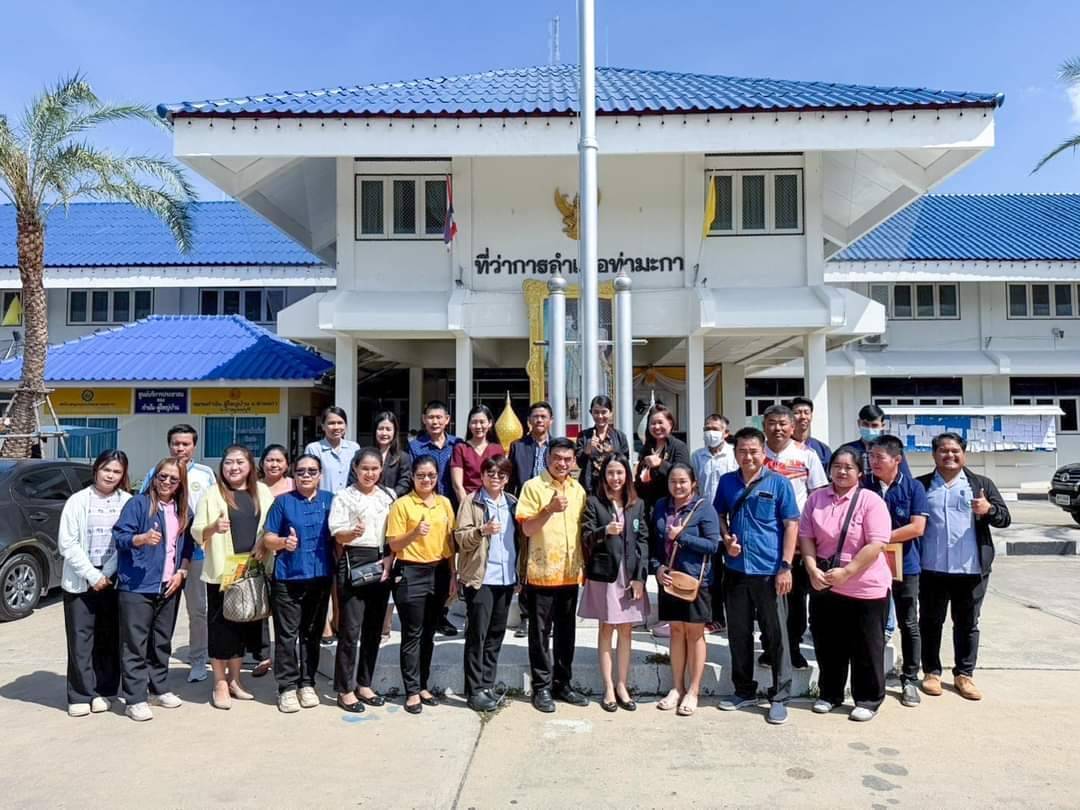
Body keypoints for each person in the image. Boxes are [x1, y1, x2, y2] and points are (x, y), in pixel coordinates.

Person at [800, 447, 893, 722]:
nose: (841, 472)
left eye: (848, 467)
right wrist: (812, 568)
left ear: (860, 473)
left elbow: (877, 543)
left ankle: (868, 699)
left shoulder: (870, 501)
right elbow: (806, 537)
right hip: (825, 584)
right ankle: (830, 694)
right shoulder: (816, 499)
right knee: (828, 644)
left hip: (865, 586)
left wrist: (848, 571)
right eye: (837, 466)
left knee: (866, 646)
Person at [713, 427, 799, 725]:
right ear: (735, 453)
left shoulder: (779, 483)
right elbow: (719, 515)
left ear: (764, 453)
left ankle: (780, 697)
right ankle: (744, 690)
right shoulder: (726, 482)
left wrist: (786, 566)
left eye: (753, 451)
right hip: (736, 570)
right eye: (742, 451)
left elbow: (791, 525)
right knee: (738, 633)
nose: (748, 456)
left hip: (769, 571)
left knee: (776, 636)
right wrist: (726, 538)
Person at [916, 432, 1010, 702]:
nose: (950, 455)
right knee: (930, 622)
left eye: (955, 451)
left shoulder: (980, 484)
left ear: (964, 454)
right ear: (934, 455)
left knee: (967, 623)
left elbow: (1005, 519)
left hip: (970, 570)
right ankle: (931, 672)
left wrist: (988, 510)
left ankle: (964, 675)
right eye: (944, 451)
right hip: (931, 568)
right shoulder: (921, 486)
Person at [192, 445, 275, 710]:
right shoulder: (213, 493)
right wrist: (213, 528)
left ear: (250, 465)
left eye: (240, 462)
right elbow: (196, 530)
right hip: (222, 571)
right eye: (229, 462)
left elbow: (272, 525)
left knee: (242, 625)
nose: (234, 467)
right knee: (220, 628)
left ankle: (235, 679)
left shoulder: (262, 491)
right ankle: (219, 682)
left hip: (251, 569)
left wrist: (264, 543)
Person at [113, 457, 194, 722]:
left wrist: (182, 572)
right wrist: (141, 538)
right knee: (135, 644)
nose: (167, 482)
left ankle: (158, 689)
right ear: (154, 477)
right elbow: (120, 537)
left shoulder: (183, 511)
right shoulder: (138, 504)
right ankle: (135, 698)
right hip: (137, 585)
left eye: (173, 479)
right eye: (162, 476)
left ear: (181, 483)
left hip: (169, 584)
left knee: (161, 641)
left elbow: (188, 547)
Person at [516, 437, 589, 712]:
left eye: (568, 459)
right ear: (548, 458)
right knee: (540, 633)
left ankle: (563, 683)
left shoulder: (578, 490)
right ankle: (541, 687)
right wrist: (548, 509)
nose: (562, 463)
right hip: (542, 572)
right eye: (557, 458)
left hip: (570, 573)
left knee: (566, 633)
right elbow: (527, 529)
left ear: (574, 461)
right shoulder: (533, 487)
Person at [58, 449, 132, 717]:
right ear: (96, 470)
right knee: (80, 638)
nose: (110, 475)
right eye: (106, 469)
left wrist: (106, 574)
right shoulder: (77, 501)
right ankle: (80, 694)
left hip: (112, 578)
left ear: (123, 475)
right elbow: (67, 543)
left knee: (109, 637)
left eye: (116, 471)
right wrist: (92, 574)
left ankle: (105, 691)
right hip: (81, 578)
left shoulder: (127, 502)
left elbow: (126, 542)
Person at [139, 424, 215, 683]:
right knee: (158, 612)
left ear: (194, 446)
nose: (180, 448)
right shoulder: (157, 472)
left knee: (198, 610)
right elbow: (144, 507)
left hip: (196, 554)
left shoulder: (205, 474)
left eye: (185, 444)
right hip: (162, 555)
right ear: (169, 445)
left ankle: (198, 660)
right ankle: (153, 663)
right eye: (175, 443)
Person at [262, 454, 335, 713]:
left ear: (320, 475)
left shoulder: (330, 500)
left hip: (320, 577)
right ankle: (287, 687)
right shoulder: (283, 502)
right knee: (286, 635)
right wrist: (284, 542)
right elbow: (268, 537)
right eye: (301, 471)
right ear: (294, 474)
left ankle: (307, 683)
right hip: (288, 578)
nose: (306, 475)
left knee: (312, 633)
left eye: (312, 471)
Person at [386, 455, 457, 714]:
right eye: (421, 475)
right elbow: (394, 544)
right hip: (411, 572)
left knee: (429, 633)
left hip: (439, 571)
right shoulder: (402, 505)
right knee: (412, 633)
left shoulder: (444, 503)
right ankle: (412, 690)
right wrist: (414, 533)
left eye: (431, 475)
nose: (426, 480)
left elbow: (450, 543)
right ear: (413, 477)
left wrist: (453, 574)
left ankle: (423, 684)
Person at [579, 454, 649, 713]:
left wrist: (640, 577)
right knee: (607, 628)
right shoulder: (594, 502)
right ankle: (608, 687)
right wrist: (604, 531)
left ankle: (622, 685)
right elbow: (585, 537)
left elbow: (643, 542)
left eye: (620, 472)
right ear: (603, 475)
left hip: (630, 576)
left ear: (627, 474)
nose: (615, 478)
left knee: (626, 630)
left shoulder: (637, 504)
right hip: (606, 575)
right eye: (610, 472)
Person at [649, 463, 720, 717]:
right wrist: (657, 568)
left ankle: (693, 690)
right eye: (673, 481)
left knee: (694, 633)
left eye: (682, 481)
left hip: (695, 582)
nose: (677, 486)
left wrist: (682, 536)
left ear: (693, 484)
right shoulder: (661, 506)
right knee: (676, 631)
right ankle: (676, 688)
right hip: (669, 580)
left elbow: (713, 545)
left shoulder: (704, 508)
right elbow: (655, 543)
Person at [328, 448, 395, 713]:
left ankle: (364, 684)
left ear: (381, 470)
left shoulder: (389, 496)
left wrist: (390, 558)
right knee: (350, 630)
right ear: (355, 468)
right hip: (354, 559)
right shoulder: (344, 497)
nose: (370, 473)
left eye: (375, 468)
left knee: (373, 628)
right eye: (365, 468)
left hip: (383, 562)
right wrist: (351, 533)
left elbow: (394, 532)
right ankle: (344, 689)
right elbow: (337, 535)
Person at [760, 403, 827, 670]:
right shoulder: (755, 454)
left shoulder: (807, 455)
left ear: (792, 427)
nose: (777, 429)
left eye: (782, 424)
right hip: (763, 537)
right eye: (771, 423)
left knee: (796, 597)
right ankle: (769, 647)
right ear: (763, 426)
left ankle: (794, 646)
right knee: (765, 597)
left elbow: (818, 496)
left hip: (797, 539)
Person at [864, 435, 929, 707]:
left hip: (906, 564)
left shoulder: (913, 488)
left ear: (897, 459)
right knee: (872, 623)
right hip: (868, 564)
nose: (873, 462)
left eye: (880, 457)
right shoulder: (864, 485)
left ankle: (910, 678)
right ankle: (871, 677)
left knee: (908, 622)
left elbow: (917, 527)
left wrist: (880, 538)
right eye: (871, 457)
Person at [454, 455, 519, 712]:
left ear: (507, 478)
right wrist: (482, 531)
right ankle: (474, 690)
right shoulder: (472, 502)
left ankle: (487, 684)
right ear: (481, 476)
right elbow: (460, 538)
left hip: (506, 578)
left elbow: (519, 542)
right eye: (490, 473)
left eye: (501, 474)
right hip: (481, 578)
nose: (495, 478)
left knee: (495, 634)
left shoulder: (512, 503)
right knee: (477, 636)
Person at [408, 400, 462, 637]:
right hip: (425, 510)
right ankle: (428, 613)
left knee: (450, 560)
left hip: (451, 509)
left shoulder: (457, 444)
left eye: (439, 417)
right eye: (430, 417)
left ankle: (442, 612)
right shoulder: (415, 447)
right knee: (430, 558)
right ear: (424, 419)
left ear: (447, 420)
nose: (435, 422)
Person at [508, 400, 555, 639]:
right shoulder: (518, 447)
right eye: (535, 416)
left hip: (552, 512)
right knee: (526, 562)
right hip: (525, 512)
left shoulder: (557, 447)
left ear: (551, 421)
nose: (539, 420)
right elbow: (511, 482)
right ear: (529, 421)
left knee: (550, 561)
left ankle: (550, 618)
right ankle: (526, 616)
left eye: (543, 416)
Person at [691, 413, 737, 634]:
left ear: (726, 433)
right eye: (707, 428)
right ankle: (715, 617)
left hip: (731, 518)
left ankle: (737, 615)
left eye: (715, 428)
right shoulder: (697, 456)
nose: (711, 433)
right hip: (707, 521)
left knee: (734, 572)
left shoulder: (734, 454)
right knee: (712, 572)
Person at [634, 404, 692, 515]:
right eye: (652, 423)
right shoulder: (646, 448)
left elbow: (683, 476)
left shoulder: (679, 447)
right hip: (647, 507)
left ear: (670, 424)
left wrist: (661, 464)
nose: (656, 427)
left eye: (660, 422)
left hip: (670, 506)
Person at [574, 395, 630, 493]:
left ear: (611, 413)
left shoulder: (620, 436)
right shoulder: (584, 436)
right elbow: (580, 463)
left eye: (604, 412)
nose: (600, 416)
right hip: (591, 487)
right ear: (591, 413)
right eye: (596, 412)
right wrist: (587, 450)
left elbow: (624, 463)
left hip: (613, 486)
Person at [839, 404, 912, 477]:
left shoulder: (892, 449)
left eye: (874, 425)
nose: (870, 429)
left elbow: (905, 478)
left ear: (882, 426)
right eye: (865, 424)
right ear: (859, 423)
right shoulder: (847, 450)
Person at [451, 404, 504, 506]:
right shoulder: (460, 448)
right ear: (469, 425)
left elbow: (501, 481)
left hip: (492, 503)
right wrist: (467, 508)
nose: (478, 426)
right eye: (474, 422)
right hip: (469, 502)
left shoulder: (497, 449)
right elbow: (457, 485)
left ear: (490, 423)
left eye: (482, 422)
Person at [374, 410, 413, 496]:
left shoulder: (403, 458)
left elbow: (405, 483)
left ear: (395, 432)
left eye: (388, 429)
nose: (384, 433)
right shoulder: (364, 455)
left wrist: (389, 497)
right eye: (380, 429)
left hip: (394, 501)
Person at [790, 397, 831, 470]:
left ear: (811, 416)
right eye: (797, 413)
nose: (803, 417)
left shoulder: (822, 449)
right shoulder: (782, 446)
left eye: (806, 413)